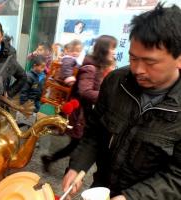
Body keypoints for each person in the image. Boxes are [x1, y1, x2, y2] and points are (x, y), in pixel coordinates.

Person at [62, 3, 181, 200]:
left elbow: (177, 176)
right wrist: (77, 166)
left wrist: (131, 197)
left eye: (150, 62)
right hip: (104, 188)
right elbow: (94, 132)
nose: (138, 70)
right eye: (133, 58)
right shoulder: (116, 82)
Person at [42, 35, 117, 172]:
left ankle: (56, 162)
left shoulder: (97, 66)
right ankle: (65, 167)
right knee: (79, 144)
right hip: (80, 113)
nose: (114, 51)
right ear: (104, 49)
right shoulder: (91, 67)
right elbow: (85, 91)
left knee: (78, 144)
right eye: (112, 48)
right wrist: (107, 96)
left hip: (84, 113)